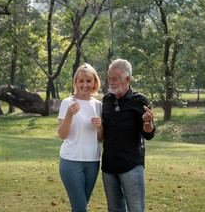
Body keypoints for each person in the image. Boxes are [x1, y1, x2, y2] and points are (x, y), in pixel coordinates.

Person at [101, 58, 155, 212]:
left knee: (136, 209)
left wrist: (147, 122)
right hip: (108, 167)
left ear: (127, 79)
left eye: (115, 79)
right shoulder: (107, 99)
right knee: (114, 209)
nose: (111, 82)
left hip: (131, 166)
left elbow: (149, 134)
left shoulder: (140, 100)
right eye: (109, 78)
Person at [57, 63, 104, 212]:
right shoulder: (67, 103)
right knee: (80, 208)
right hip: (71, 161)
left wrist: (100, 126)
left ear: (95, 82)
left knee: (80, 206)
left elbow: (101, 139)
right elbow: (62, 135)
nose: (85, 85)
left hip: (93, 162)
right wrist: (70, 114)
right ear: (76, 82)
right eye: (81, 81)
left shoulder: (98, 105)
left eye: (89, 81)